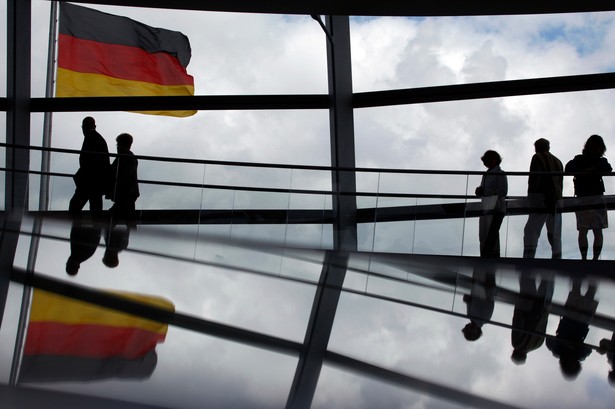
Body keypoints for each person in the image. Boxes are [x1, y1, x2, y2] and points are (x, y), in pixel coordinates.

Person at [565, 134, 612, 260]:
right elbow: (608, 170)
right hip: (596, 196)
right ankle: (595, 258)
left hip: (582, 197)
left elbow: (568, 169)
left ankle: (584, 258)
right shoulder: (600, 161)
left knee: (583, 229)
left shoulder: (579, 159)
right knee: (597, 230)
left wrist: (583, 172)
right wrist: (594, 169)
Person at [523, 138, 564, 259]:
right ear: (548, 147)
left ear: (536, 147)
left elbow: (535, 179)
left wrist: (531, 197)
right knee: (554, 233)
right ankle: (557, 258)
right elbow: (560, 183)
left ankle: (529, 258)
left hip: (540, 198)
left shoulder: (537, 157)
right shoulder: (558, 161)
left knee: (531, 231)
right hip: (556, 200)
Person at [69, 117, 111, 219]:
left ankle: (77, 231)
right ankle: (93, 233)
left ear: (83, 127)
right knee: (95, 209)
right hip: (96, 181)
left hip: (89, 180)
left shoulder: (90, 138)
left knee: (75, 206)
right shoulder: (98, 139)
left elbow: (87, 161)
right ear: (94, 126)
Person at [475, 150, 508, 258]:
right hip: (487, 207)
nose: (485, 164)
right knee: (484, 234)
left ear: (494, 160)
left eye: (486, 161)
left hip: (496, 208)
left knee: (491, 234)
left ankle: (489, 257)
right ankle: (487, 256)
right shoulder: (486, 174)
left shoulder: (500, 173)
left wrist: (484, 191)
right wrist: (480, 192)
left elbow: (503, 192)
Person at [107, 133, 140, 226]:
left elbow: (120, 173)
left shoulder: (123, 157)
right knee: (129, 219)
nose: (117, 147)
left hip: (125, 193)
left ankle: (110, 237)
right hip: (128, 193)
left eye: (118, 144)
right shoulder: (129, 157)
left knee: (113, 217)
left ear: (122, 144)